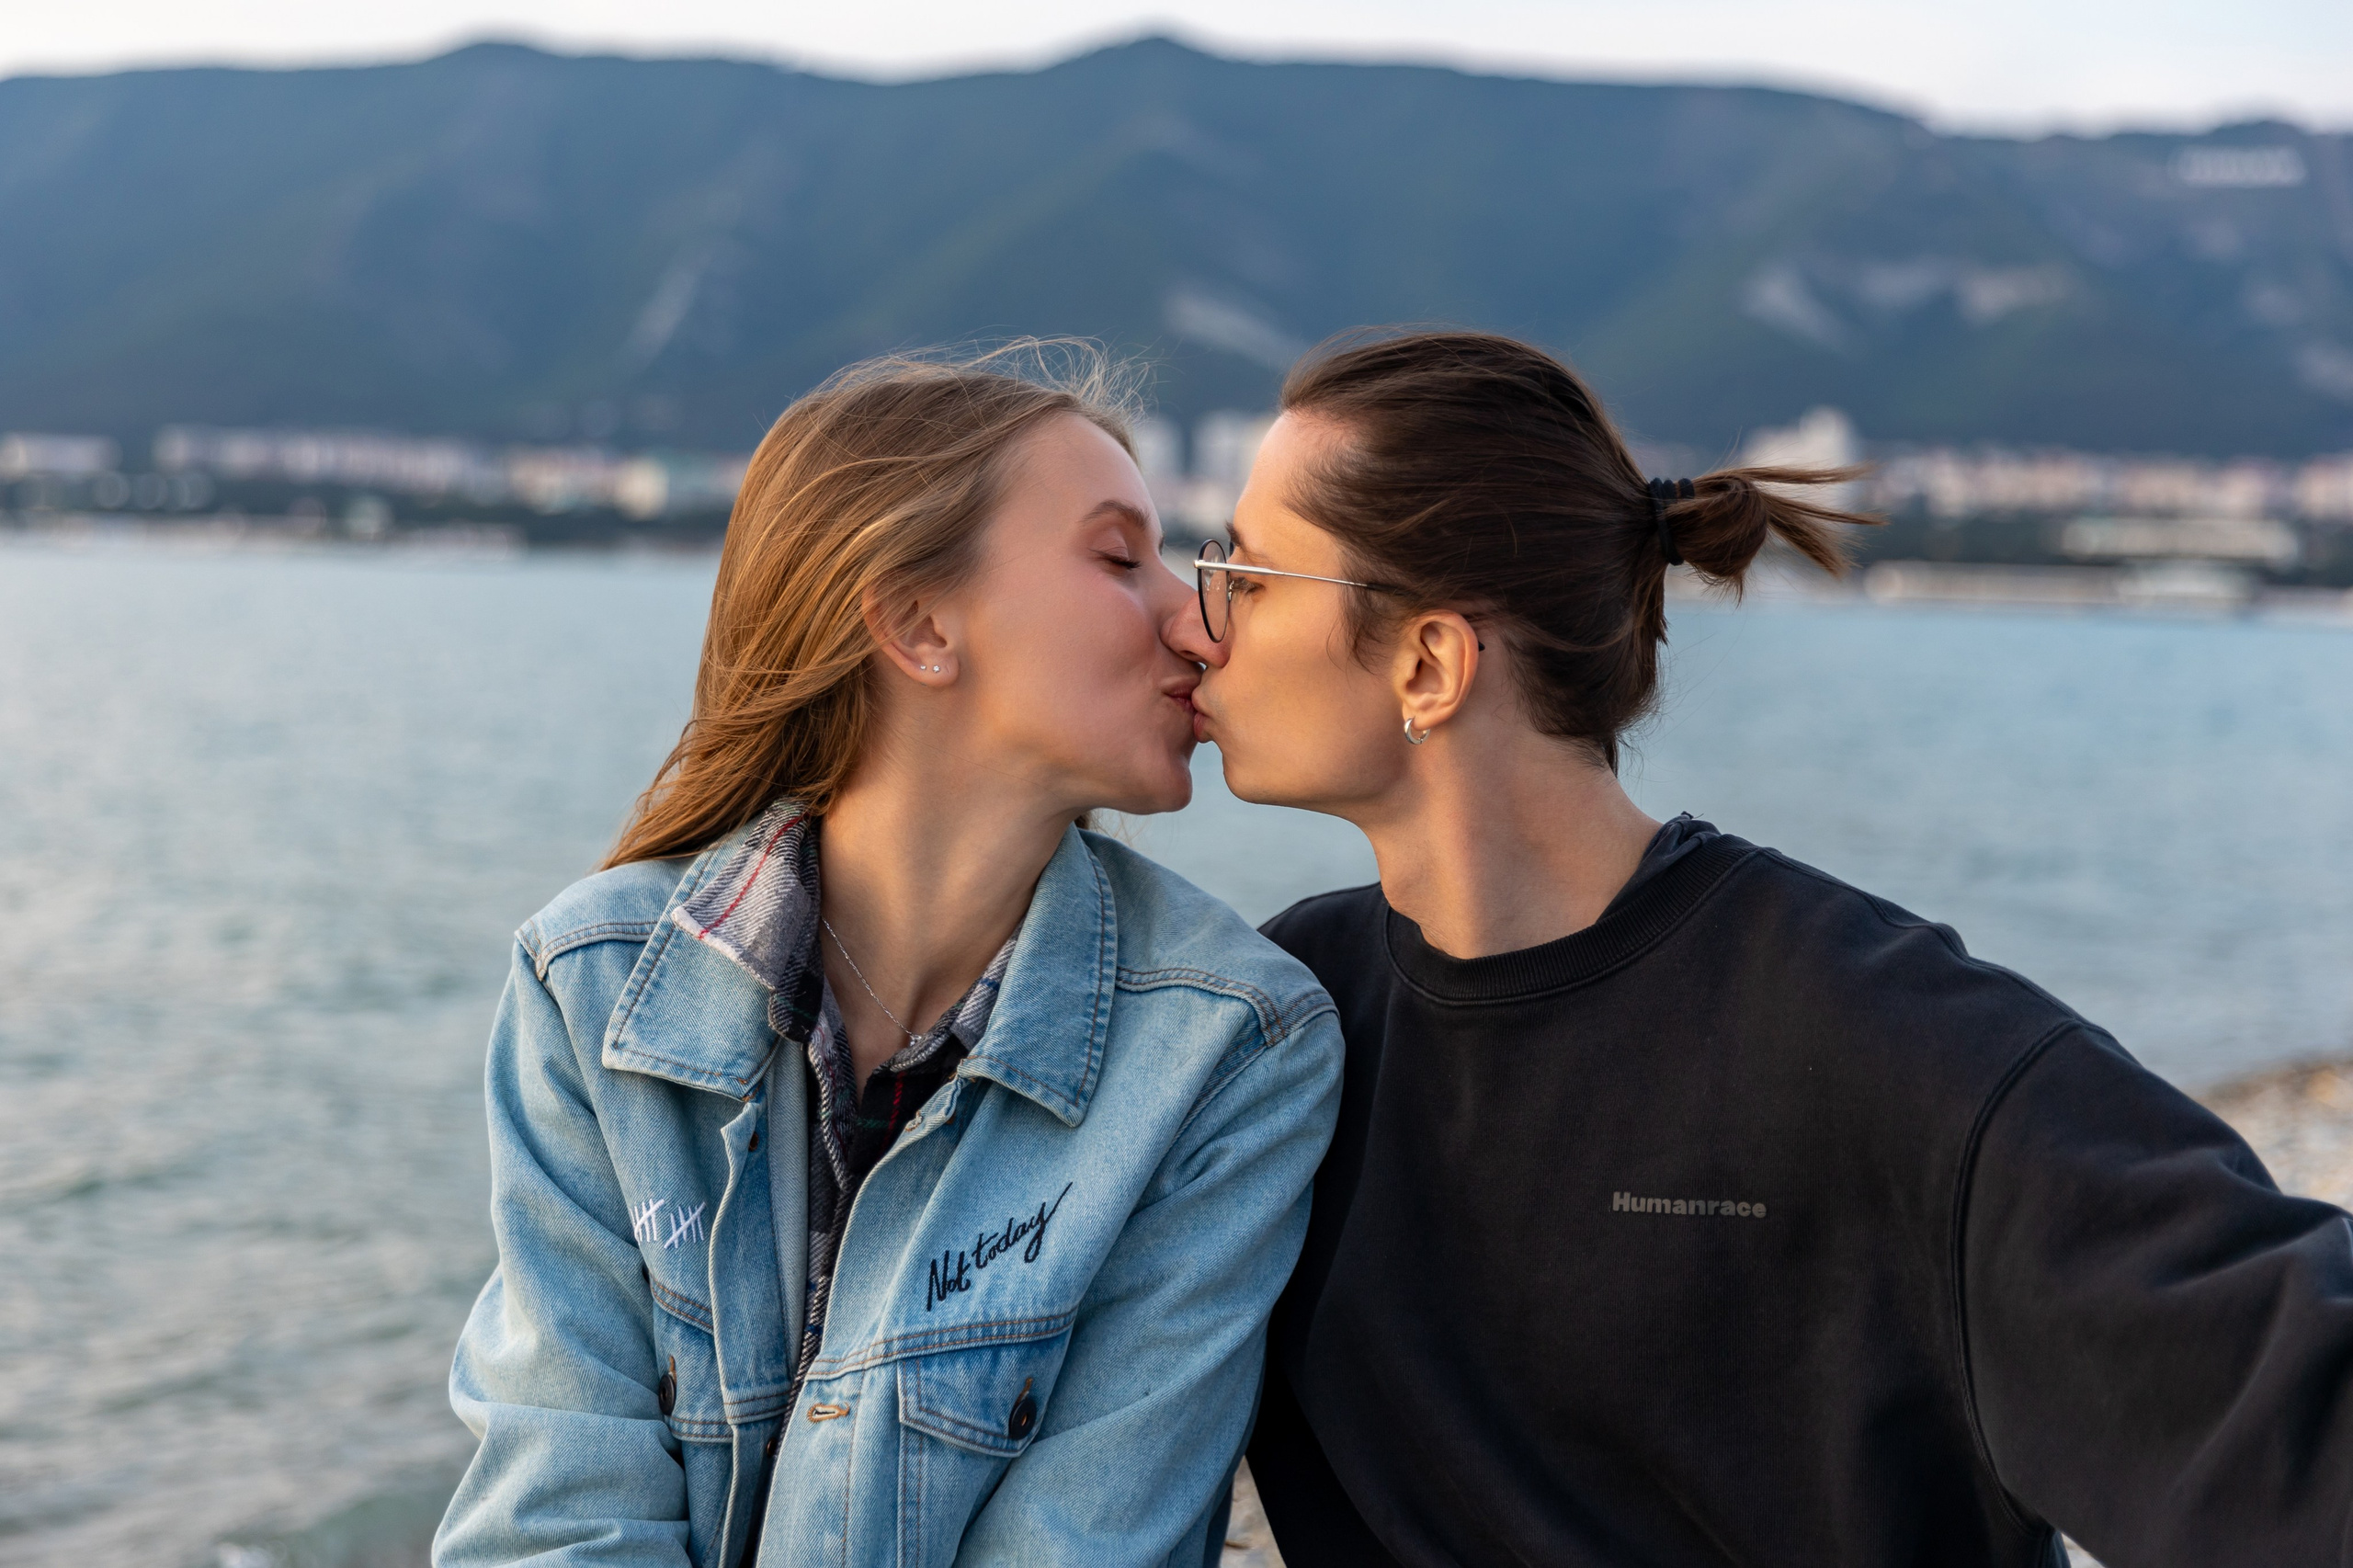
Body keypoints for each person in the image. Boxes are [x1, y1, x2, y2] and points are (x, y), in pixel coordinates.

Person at [1171, 329, 2353, 1566]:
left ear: (1427, 661)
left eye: (1244, 577)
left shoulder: (1889, 1052)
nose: (1200, 627)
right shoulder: (1288, 1026)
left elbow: (2304, 1434)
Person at [433, 347, 1343, 1568]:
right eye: (1121, 558)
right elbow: (554, 1523)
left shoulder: (1229, 1049)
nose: (1194, 619)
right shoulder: (589, 987)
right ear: (918, 622)